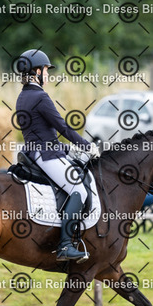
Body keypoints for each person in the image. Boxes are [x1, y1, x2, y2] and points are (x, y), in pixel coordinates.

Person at [15, 49, 99, 263]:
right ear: (36, 72)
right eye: (45, 70)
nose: (47, 75)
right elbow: (63, 128)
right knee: (79, 190)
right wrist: (87, 146)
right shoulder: (40, 97)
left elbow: (41, 133)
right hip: (46, 156)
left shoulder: (23, 96)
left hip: (35, 152)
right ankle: (65, 245)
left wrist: (68, 150)